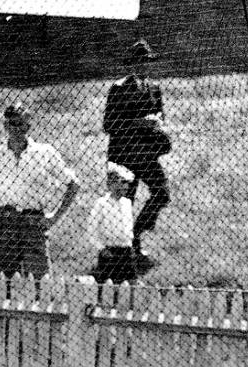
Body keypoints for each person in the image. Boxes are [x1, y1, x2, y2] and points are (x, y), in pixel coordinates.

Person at [0, 102, 79, 278]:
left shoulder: (44, 152)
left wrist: (55, 217)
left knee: (38, 277)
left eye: (20, 123)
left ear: (28, 124)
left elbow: (73, 184)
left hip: (33, 220)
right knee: (6, 277)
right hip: (5, 220)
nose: (16, 129)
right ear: (5, 126)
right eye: (11, 124)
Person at [103, 39, 172, 270]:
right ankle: (129, 249)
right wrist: (139, 123)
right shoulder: (119, 88)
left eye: (146, 62)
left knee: (161, 193)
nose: (143, 66)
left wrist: (158, 123)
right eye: (139, 61)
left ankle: (135, 232)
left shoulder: (154, 87)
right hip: (124, 155)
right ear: (132, 63)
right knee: (126, 202)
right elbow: (110, 124)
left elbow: (160, 114)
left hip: (147, 153)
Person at [86, 162, 138, 284]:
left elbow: (128, 226)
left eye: (127, 183)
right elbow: (91, 229)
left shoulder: (127, 203)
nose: (125, 187)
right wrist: (101, 248)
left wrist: (130, 244)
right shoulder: (101, 204)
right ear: (111, 184)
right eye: (122, 182)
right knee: (109, 285)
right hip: (109, 251)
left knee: (131, 284)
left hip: (126, 250)